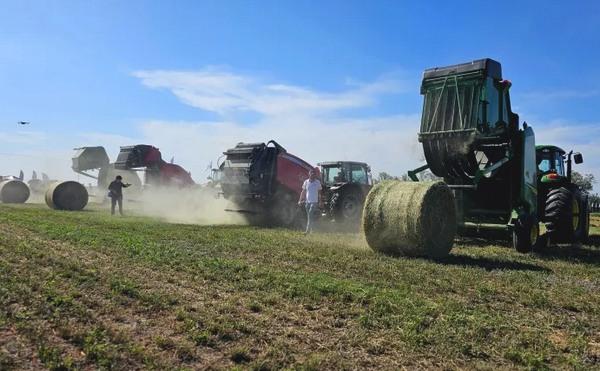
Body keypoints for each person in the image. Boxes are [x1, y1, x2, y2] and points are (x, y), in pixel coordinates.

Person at [298, 168, 322, 234]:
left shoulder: (317, 182)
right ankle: (312, 230)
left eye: (313, 173)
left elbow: (319, 193)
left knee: (310, 214)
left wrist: (320, 202)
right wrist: (300, 200)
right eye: (311, 173)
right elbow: (303, 192)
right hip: (307, 202)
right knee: (309, 217)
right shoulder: (306, 182)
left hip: (314, 202)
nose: (312, 174)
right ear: (309, 174)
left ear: (315, 174)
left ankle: (307, 231)